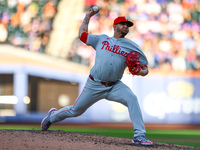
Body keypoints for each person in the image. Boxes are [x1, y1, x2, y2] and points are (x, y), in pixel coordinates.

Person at [41, 7, 153, 146]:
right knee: (75, 111)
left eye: (128, 25)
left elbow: (145, 68)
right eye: (123, 24)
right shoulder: (101, 39)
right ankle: (52, 117)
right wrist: (88, 16)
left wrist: (140, 71)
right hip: (95, 84)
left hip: (114, 86)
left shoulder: (132, 46)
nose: (126, 26)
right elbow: (82, 34)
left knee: (132, 99)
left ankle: (139, 135)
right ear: (115, 26)